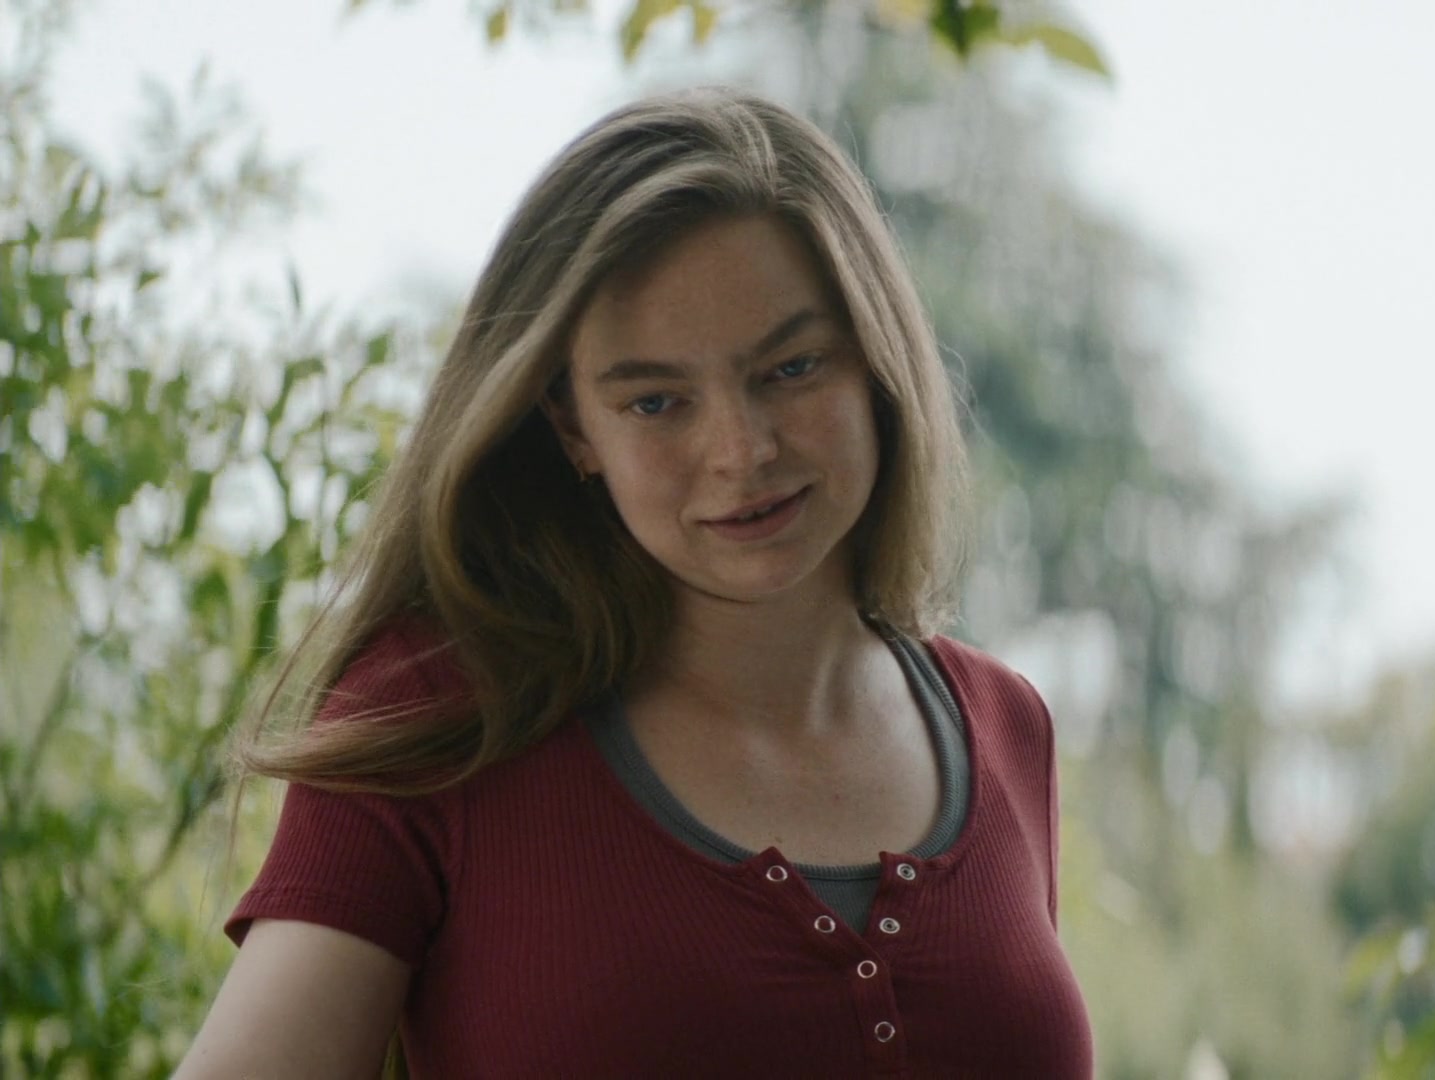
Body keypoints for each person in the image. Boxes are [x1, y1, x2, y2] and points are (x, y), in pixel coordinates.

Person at [177, 87, 1092, 1078]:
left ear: (875, 357)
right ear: (574, 429)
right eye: (656, 402)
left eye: (791, 368)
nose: (742, 450)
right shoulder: (434, 717)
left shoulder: (1008, 728)